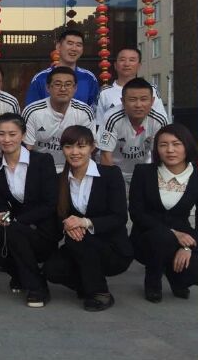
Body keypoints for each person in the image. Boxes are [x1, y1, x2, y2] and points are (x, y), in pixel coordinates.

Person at [43, 126, 133, 312]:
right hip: (78, 245)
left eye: (81, 146)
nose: (74, 152)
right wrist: (68, 225)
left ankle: (100, 292)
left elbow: (119, 217)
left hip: (112, 249)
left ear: (92, 147)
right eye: (68, 147)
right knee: (52, 269)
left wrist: (84, 223)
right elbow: (57, 217)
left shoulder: (110, 175)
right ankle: (87, 283)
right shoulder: (59, 180)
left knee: (81, 239)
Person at [0, 113, 59, 308]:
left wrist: (17, 221)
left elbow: (50, 203)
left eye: (12, 134)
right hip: (16, 230)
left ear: (23, 135)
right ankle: (21, 274)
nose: (6, 139)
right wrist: (2, 215)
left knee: (13, 230)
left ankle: (37, 287)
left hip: (43, 231)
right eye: (1, 134)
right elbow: (1, 204)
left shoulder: (43, 161)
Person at [129, 123, 198, 303]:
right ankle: (153, 281)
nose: (170, 150)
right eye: (163, 145)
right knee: (162, 237)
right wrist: (173, 233)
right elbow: (137, 213)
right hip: (146, 237)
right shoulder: (143, 172)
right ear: (157, 149)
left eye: (176, 144)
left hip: (184, 239)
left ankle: (175, 276)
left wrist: (188, 248)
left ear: (187, 146)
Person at [22, 66, 95, 172]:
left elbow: (89, 147)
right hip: (39, 169)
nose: (63, 89)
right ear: (48, 88)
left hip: (73, 168)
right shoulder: (32, 111)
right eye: (57, 84)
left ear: (75, 88)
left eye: (68, 84)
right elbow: (27, 149)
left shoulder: (84, 112)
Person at [97, 77, 168, 185]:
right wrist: (113, 184)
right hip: (114, 170)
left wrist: (154, 181)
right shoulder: (111, 118)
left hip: (143, 170)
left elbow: (159, 155)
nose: (138, 105)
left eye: (143, 99)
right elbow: (105, 155)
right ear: (123, 101)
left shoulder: (159, 120)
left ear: (152, 101)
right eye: (132, 99)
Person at [25, 29, 99, 108]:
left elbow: (94, 110)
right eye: (70, 43)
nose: (74, 49)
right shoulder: (41, 78)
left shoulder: (89, 78)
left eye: (78, 45)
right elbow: (31, 110)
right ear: (58, 46)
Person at [96, 47, 167, 125]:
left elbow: (162, 121)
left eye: (132, 60)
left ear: (139, 65)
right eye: (122, 60)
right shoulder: (105, 93)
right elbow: (99, 124)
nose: (127, 64)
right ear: (115, 65)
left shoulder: (150, 90)